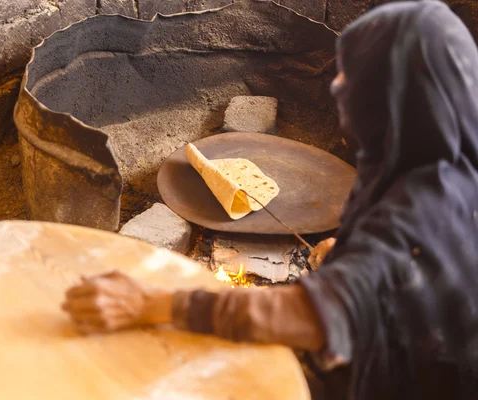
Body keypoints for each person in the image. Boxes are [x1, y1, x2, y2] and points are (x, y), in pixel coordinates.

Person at [61, 1, 478, 398]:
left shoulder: (414, 211)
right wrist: (360, 257)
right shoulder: (450, 171)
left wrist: (150, 302)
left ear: (390, 98)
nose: (336, 85)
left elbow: (310, 318)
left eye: (354, 76)